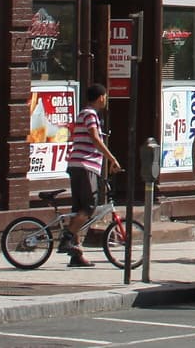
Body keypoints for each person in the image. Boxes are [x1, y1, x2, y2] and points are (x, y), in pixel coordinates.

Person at [61, 82, 120, 267]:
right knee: (88, 208)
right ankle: (67, 238)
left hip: (78, 165)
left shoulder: (84, 113)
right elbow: (94, 137)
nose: (106, 100)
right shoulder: (90, 114)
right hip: (85, 166)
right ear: (101, 97)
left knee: (78, 210)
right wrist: (112, 158)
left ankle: (76, 255)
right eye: (106, 97)